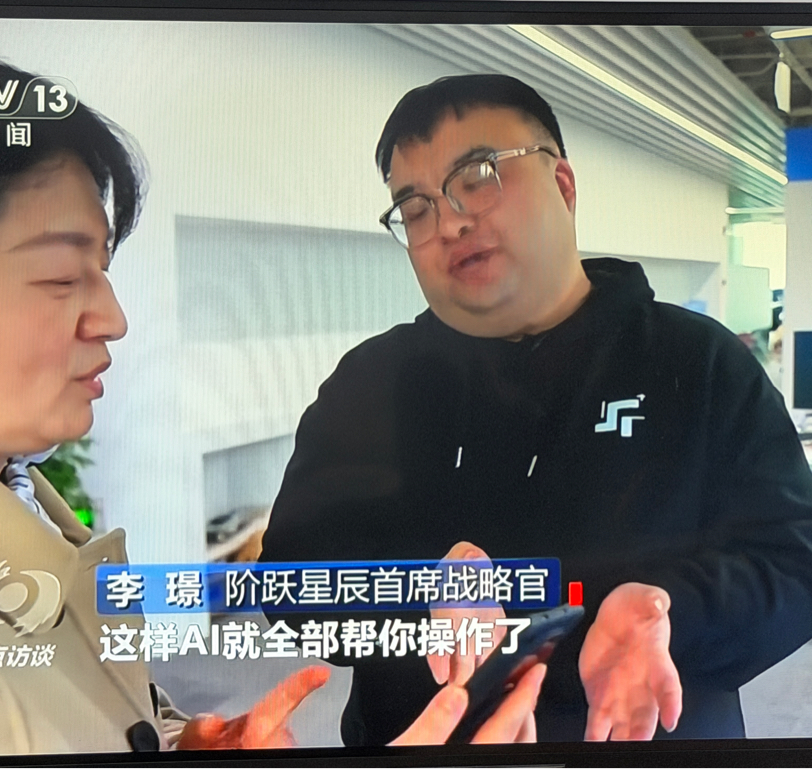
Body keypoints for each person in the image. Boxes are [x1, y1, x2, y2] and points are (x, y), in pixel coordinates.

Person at [0, 32, 545, 759]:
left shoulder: (13, 495)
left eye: (101, 269)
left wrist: (179, 742)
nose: (113, 319)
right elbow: (295, 567)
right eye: (60, 276)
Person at [260, 74, 812, 744]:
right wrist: (420, 587)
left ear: (564, 185)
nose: (450, 222)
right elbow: (290, 577)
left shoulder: (696, 362)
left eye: (478, 176)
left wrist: (673, 610)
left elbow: (793, 557)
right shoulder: (373, 382)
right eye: (415, 207)